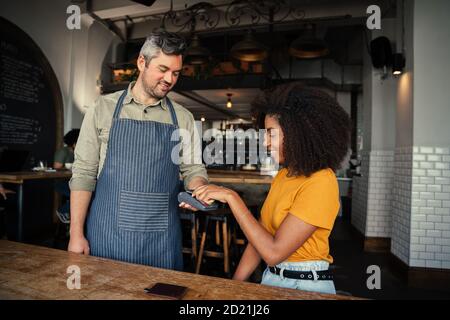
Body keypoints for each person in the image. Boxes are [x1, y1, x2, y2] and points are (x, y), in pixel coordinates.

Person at [187, 83, 351, 294]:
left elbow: (274, 252)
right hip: (272, 280)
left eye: (271, 134)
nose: (265, 142)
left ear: (297, 134)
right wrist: (233, 286)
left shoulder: (321, 181)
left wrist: (232, 197)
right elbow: (260, 239)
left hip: (305, 287)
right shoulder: (284, 175)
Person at [68, 30, 208, 270]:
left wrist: (198, 190)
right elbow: (84, 173)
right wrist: (75, 234)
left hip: (161, 239)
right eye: (163, 70)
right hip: (107, 234)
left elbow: (193, 168)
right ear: (142, 62)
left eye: (176, 73)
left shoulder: (183, 117)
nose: (170, 79)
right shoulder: (102, 108)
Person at [54, 129, 80, 223]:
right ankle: (63, 211)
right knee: (78, 193)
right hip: (59, 182)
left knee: (84, 191)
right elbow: (56, 168)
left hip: (71, 181)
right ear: (74, 142)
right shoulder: (63, 152)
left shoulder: (77, 153)